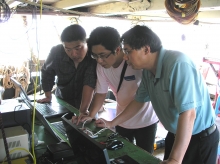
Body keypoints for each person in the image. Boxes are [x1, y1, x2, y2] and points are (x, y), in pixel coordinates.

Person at [95, 25, 219, 164]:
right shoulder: (148, 71)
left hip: (199, 139)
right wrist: (111, 123)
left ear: (146, 49)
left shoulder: (178, 64)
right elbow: (138, 101)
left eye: (128, 51)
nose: (125, 56)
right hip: (176, 135)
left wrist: (174, 159)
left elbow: (188, 114)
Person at [75, 26, 159, 153]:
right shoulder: (101, 66)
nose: (99, 60)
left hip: (146, 121)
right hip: (121, 120)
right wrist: (91, 115)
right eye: (95, 56)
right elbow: (101, 92)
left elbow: (142, 99)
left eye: (103, 55)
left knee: (145, 157)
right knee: (121, 155)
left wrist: (112, 122)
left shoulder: (136, 62)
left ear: (118, 49)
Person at [38, 24, 97, 115]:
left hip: (89, 106)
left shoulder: (93, 55)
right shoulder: (56, 52)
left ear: (86, 43)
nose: (73, 54)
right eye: (68, 49)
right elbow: (47, 72)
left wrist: (83, 111)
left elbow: (89, 82)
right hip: (63, 103)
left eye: (78, 48)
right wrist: (48, 96)